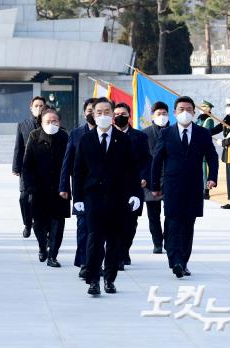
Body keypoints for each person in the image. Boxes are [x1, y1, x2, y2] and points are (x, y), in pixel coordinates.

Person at [72, 97, 140, 295]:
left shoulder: (123, 140)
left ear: (112, 114)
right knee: (94, 240)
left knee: (114, 241)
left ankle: (109, 279)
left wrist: (135, 194)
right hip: (93, 197)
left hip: (117, 198)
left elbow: (132, 170)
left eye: (106, 112)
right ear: (93, 115)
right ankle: (93, 279)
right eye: (99, 112)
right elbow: (78, 171)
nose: (103, 115)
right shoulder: (86, 139)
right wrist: (78, 199)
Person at [151, 96, 218, 278]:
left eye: (189, 109)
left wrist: (212, 178)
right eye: (181, 109)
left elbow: (212, 156)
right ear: (175, 113)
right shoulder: (166, 134)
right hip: (172, 186)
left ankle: (183, 261)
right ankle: (176, 261)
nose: (185, 112)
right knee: (173, 224)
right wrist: (154, 185)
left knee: (188, 225)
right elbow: (157, 161)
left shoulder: (202, 133)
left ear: (194, 113)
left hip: (194, 186)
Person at [22, 109, 68, 267]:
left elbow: (70, 163)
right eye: (47, 121)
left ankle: (53, 255)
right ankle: (42, 246)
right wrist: (29, 186)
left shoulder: (64, 137)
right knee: (39, 223)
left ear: (59, 122)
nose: (51, 124)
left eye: (54, 121)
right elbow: (27, 164)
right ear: (41, 123)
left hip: (60, 188)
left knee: (58, 222)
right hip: (38, 188)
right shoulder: (34, 137)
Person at [58, 97, 97, 279]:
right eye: (89, 110)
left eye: (95, 110)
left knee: (99, 229)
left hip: (105, 190)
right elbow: (67, 162)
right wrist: (64, 186)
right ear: (84, 113)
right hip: (82, 187)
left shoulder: (112, 135)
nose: (92, 114)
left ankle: (96, 262)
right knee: (83, 227)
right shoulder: (76, 134)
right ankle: (83, 262)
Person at [113, 102, 151, 268]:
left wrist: (144, 177)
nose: (120, 116)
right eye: (117, 114)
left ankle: (124, 249)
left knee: (130, 222)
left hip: (134, 185)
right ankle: (118, 255)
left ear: (129, 116)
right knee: (115, 222)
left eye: (124, 114)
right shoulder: (108, 135)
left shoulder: (140, 137)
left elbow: (146, 160)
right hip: (113, 186)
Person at [12, 96, 47, 238]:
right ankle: (27, 223)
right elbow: (18, 147)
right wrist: (16, 166)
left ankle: (42, 225)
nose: (38, 108)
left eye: (41, 105)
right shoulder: (23, 125)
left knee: (40, 198)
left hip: (44, 168)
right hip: (27, 167)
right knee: (24, 198)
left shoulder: (48, 122)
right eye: (36, 105)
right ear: (31, 108)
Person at [141, 102, 170, 254]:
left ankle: (168, 239)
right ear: (153, 116)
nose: (162, 117)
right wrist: (144, 178)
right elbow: (142, 159)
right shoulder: (144, 134)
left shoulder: (174, 131)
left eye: (164, 113)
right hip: (151, 180)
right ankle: (157, 242)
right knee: (153, 215)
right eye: (159, 114)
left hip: (170, 180)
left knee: (171, 214)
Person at [210, 99, 230, 209]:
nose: (228, 107)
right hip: (227, 150)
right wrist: (204, 132)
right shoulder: (226, 119)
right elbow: (217, 129)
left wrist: (223, 142)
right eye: (227, 105)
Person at [196, 100, 216, 199]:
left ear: (208, 109)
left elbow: (206, 133)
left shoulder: (209, 120)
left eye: (204, 107)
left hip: (204, 147)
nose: (202, 109)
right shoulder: (199, 119)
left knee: (205, 169)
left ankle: (206, 190)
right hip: (196, 147)